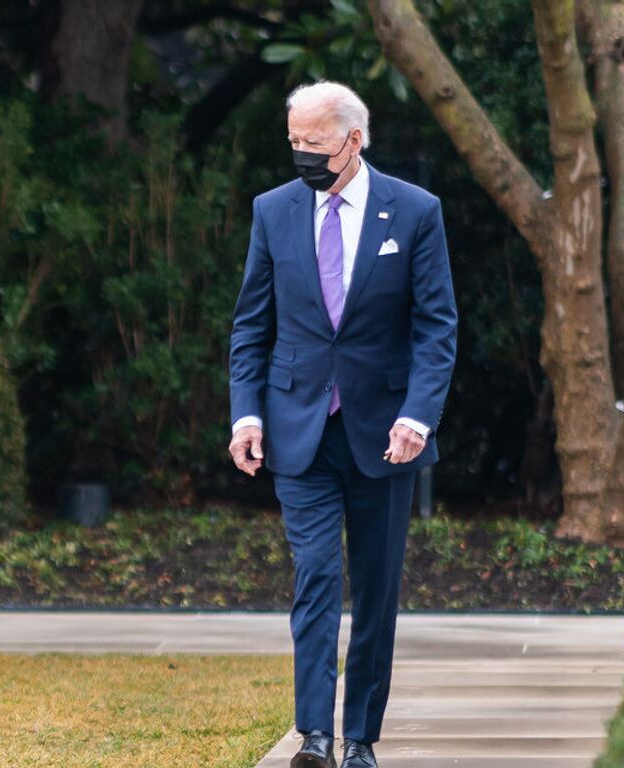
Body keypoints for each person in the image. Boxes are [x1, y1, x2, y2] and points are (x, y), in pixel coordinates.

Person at [226, 80, 458, 768]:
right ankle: (315, 737)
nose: (301, 153)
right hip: (298, 430)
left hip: (386, 435)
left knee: (378, 590)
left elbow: (436, 325)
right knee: (317, 579)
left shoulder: (414, 212)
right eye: (293, 141)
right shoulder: (273, 211)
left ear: (354, 140)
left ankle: (361, 738)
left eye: (314, 142)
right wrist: (246, 413)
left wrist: (419, 415)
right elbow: (252, 323)